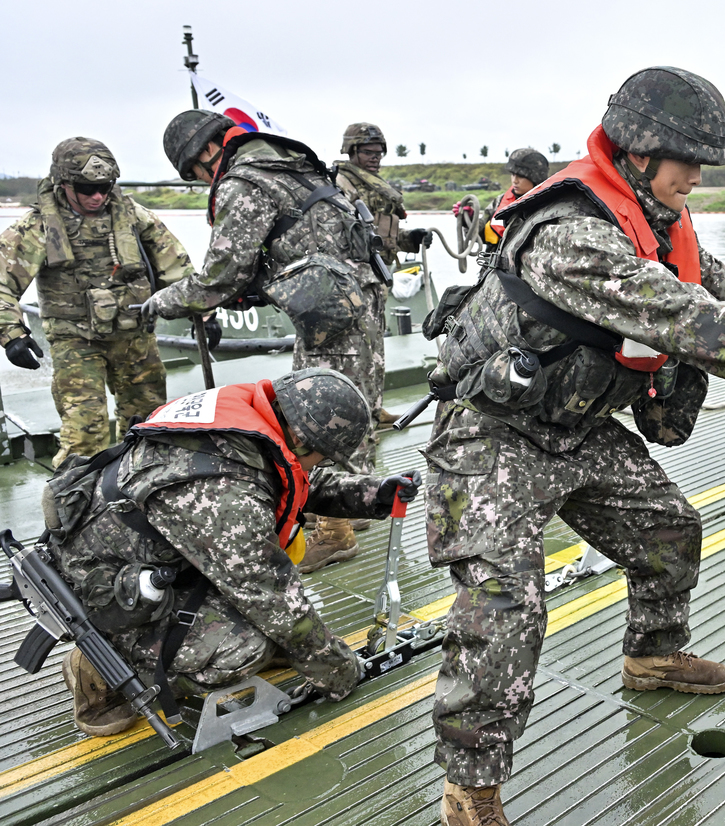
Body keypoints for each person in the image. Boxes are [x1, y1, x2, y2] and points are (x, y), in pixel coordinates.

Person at [423, 67, 725, 825]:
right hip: (495, 436)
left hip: (575, 430)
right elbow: (689, 319)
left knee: (668, 531)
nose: (695, 176)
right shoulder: (571, 233)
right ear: (636, 149)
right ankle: (470, 790)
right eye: (685, 159)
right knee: (504, 610)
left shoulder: (660, 222)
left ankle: (652, 655)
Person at [46, 368, 421, 737]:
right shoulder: (224, 491)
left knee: (275, 624)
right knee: (248, 645)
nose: (319, 466)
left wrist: (372, 493)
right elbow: (270, 597)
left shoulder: (254, 425)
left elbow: (292, 480)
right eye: (321, 457)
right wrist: (338, 670)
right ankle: (102, 662)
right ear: (302, 440)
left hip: (162, 560)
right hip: (111, 591)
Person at [148, 111, 387, 573]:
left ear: (204, 152)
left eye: (196, 173)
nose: (202, 180)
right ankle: (352, 506)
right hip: (359, 297)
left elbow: (220, 273)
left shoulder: (246, 182)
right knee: (356, 395)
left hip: (330, 312)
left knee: (319, 411)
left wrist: (166, 301)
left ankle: (333, 533)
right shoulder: (286, 165)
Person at [0, 138, 194, 466]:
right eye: (86, 189)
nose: (97, 197)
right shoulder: (39, 226)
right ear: (64, 184)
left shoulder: (131, 214)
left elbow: (175, 263)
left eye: (105, 187)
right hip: (76, 341)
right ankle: (76, 509)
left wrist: (202, 311)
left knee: (150, 427)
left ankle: (142, 496)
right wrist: (12, 336)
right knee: (84, 435)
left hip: (134, 335)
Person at [335, 122, 432, 430]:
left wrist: (408, 238)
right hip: (354, 276)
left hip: (377, 273)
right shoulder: (342, 185)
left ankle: (373, 410)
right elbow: (345, 233)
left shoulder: (371, 184)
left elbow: (380, 233)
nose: (375, 157)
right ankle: (355, 414)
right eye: (367, 152)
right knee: (358, 349)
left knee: (375, 348)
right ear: (352, 151)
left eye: (379, 152)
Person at [479, 147, 550, 249]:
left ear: (536, 179)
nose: (514, 180)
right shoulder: (500, 201)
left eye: (520, 176)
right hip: (494, 264)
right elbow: (478, 234)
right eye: (512, 174)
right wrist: (468, 217)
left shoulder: (550, 207)